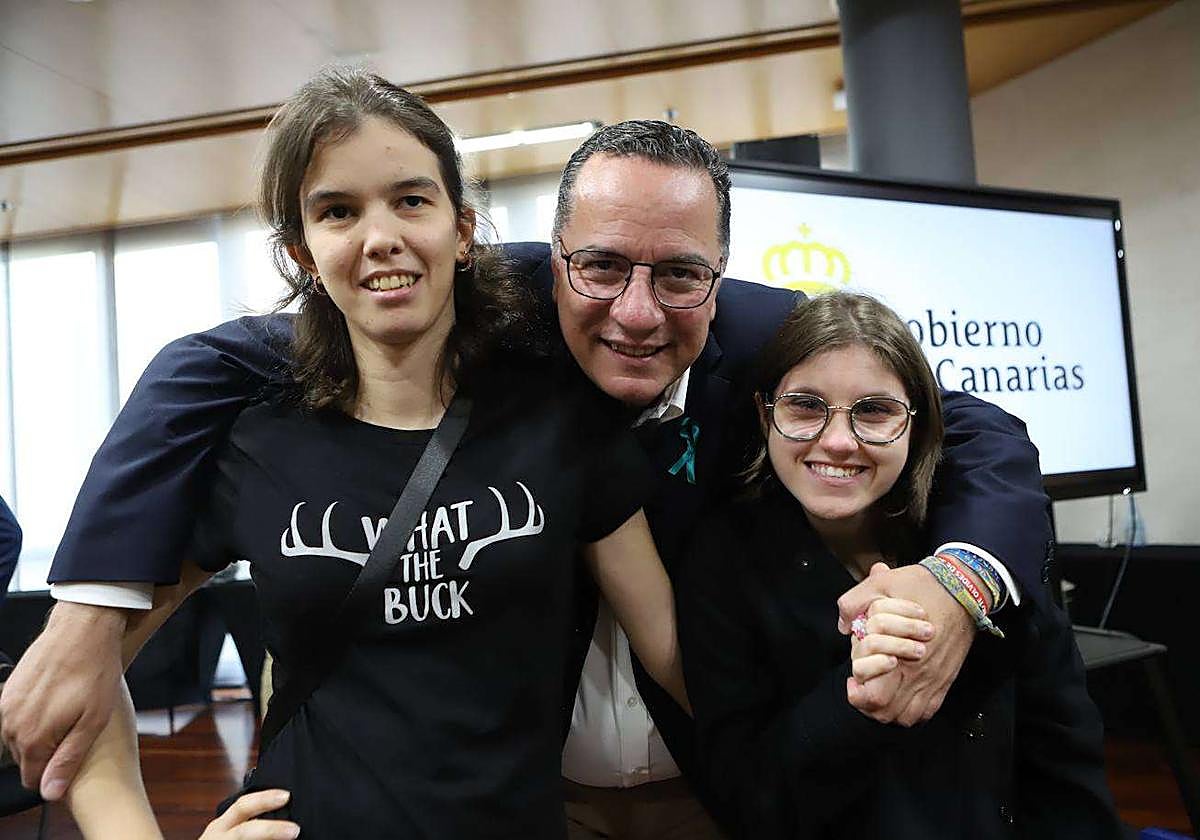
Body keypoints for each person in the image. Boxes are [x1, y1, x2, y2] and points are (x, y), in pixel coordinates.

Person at [3, 117, 1052, 836]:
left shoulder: (769, 345)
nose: (636, 311)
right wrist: (87, 612)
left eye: (680, 274)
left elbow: (980, 431)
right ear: (542, 259)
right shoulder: (464, 310)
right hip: (534, 795)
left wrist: (956, 581)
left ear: (719, 276)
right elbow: (211, 364)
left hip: (715, 792)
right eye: (600, 266)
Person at [63, 67, 687, 839]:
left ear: (463, 230)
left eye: (411, 200)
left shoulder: (558, 419)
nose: (381, 235)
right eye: (338, 211)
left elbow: (673, 656)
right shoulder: (255, 443)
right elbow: (83, 679)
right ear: (303, 253)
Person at [678, 292, 1122, 839]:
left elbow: (1064, 756)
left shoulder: (982, 538)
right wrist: (861, 696)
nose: (838, 441)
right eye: (805, 406)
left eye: (873, 411)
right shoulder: (722, 562)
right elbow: (750, 797)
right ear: (763, 413)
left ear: (917, 421)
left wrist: (954, 592)